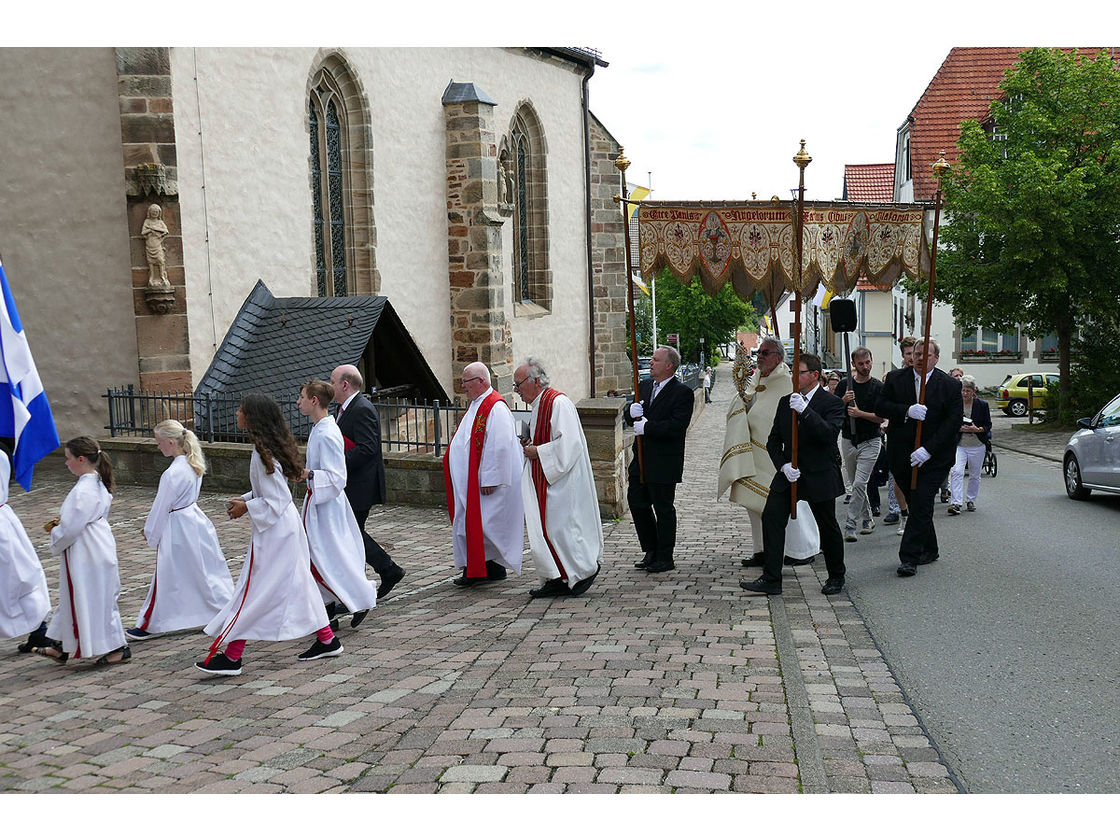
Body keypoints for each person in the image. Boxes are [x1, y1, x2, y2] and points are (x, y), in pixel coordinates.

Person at [196, 394, 340, 676]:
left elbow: (276, 500)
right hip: (281, 529)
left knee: (255, 590)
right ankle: (327, 639)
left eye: (240, 410)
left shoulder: (264, 456)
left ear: (251, 418)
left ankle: (233, 656)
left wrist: (246, 507)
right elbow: (273, 492)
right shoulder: (266, 451)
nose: (236, 413)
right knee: (296, 584)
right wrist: (248, 499)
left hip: (277, 532)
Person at [741, 353, 847, 597]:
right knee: (772, 517)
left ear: (814, 375)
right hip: (790, 473)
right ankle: (771, 577)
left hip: (819, 472)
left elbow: (828, 436)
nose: (794, 377)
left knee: (827, 524)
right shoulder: (785, 401)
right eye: (792, 372)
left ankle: (836, 576)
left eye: (799, 372)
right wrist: (783, 466)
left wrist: (807, 412)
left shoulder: (832, 403)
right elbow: (773, 441)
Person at [126, 419, 234, 641]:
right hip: (194, 522)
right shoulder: (193, 464)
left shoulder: (172, 473)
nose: (158, 447)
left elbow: (161, 506)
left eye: (159, 443)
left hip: (177, 526)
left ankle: (151, 623)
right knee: (202, 570)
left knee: (168, 573)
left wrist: (150, 532)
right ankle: (223, 608)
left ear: (171, 442)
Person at [719, 338, 819, 569]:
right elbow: (748, 406)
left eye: (766, 352)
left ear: (779, 357)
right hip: (754, 452)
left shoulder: (786, 382)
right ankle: (762, 550)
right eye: (759, 352)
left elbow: (780, 418)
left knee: (790, 504)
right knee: (754, 504)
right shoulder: (756, 379)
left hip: (779, 457)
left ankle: (800, 550)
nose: (760, 356)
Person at [34, 436, 130, 665]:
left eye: (68, 459)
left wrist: (55, 533)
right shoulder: (96, 481)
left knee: (93, 597)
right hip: (96, 543)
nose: (65, 463)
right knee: (78, 595)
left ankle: (117, 646)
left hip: (87, 549)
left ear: (81, 459)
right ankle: (60, 644)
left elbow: (70, 528)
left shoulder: (83, 490)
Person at [514, 357, 603, 598]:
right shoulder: (539, 404)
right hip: (546, 476)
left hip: (562, 480)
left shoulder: (558, 403)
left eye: (518, 385)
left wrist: (538, 451)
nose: (516, 391)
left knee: (561, 528)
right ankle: (555, 577)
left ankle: (582, 571)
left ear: (534, 381)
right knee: (546, 529)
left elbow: (569, 444)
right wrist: (530, 444)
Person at [875, 339, 963, 577]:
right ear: (910, 356)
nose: (921, 358)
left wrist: (928, 450)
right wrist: (906, 410)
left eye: (927, 354)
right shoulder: (896, 379)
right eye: (917, 353)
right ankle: (930, 549)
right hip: (902, 454)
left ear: (936, 358)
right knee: (917, 504)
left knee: (923, 500)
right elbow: (880, 406)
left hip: (935, 458)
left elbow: (952, 422)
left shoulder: (950, 385)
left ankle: (909, 558)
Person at [298, 380, 378, 628]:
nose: (298, 402)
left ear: (314, 400)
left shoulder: (327, 433)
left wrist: (309, 475)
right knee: (321, 557)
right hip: (319, 503)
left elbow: (337, 476)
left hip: (327, 506)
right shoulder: (319, 429)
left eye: (302, 397)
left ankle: (358, 598)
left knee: (330, 557)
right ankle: (328, 613)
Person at [444, 362, 524, 587]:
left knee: (484, 526)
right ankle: (488, 567)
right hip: (469, 482)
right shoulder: (477, 404)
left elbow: (499, 445)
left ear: (480, 381)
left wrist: (490, 477)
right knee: (472, 525)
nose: (462, 386)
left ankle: (481, 569)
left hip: (485, 484)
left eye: (466, 382)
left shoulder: (494, 407)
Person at [329, 364, 405, 599]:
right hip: (349, 484)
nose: (329, 386)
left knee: (351, 534)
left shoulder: (362, 409)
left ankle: (386, 570)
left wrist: (337, 464)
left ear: (344, 384)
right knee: (351, 534)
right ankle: (379, 574)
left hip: (359, 485)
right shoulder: (342, 409)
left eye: (332, 382)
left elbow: (367, 448)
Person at [626, 345, 695, 574]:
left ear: (669, 365)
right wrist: (631, 411)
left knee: (663, 508)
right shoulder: (644, 386)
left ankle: (665, 556)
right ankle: (650, 550)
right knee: (637, 502)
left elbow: (677, 427)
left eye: (655, 359)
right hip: (641, 459)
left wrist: (648, 427)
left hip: (664, 461)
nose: (651, 362)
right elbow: (631, 419)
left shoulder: (682, 393)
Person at [1, 443, 51, 654]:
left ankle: (39, 630)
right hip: (6, 522)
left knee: (20, 578)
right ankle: (39, 630)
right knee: (21, 576)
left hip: (4, 526)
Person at [836, 347, 883, 541]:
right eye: (861, 363)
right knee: (858, 485)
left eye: (868, 362)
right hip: (849, 439)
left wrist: (860, 413)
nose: (865, 367)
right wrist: (842, 401)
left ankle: (850, 524)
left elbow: (881, 418)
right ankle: (868, 518)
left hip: (871, 440)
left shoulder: (878, 387)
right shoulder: (845, 385)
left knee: (858, 483)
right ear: (853, 365)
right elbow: (832, 411)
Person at [883, 336, 918, 533]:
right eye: (908, 354)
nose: (912, 358)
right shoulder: (895, 378)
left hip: (920, 437)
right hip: (899, 434)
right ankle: (903, 514)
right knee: (897, 478)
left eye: (915, 353)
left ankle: (915, 515)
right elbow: (884, 405)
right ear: (903, 356)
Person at [947, 374, 991, 515]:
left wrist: (977, 429)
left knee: (974, 474)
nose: (965, 393)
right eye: (963, 390)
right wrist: (957, 427)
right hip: (959, 444)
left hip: (977, 444)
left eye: (968, 391)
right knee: (957, 471)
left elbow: (988, 424)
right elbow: (948, 422)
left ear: (973, 391)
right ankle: (956, 503)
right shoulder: (955, 404)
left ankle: (971, 499)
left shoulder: (982, 405)